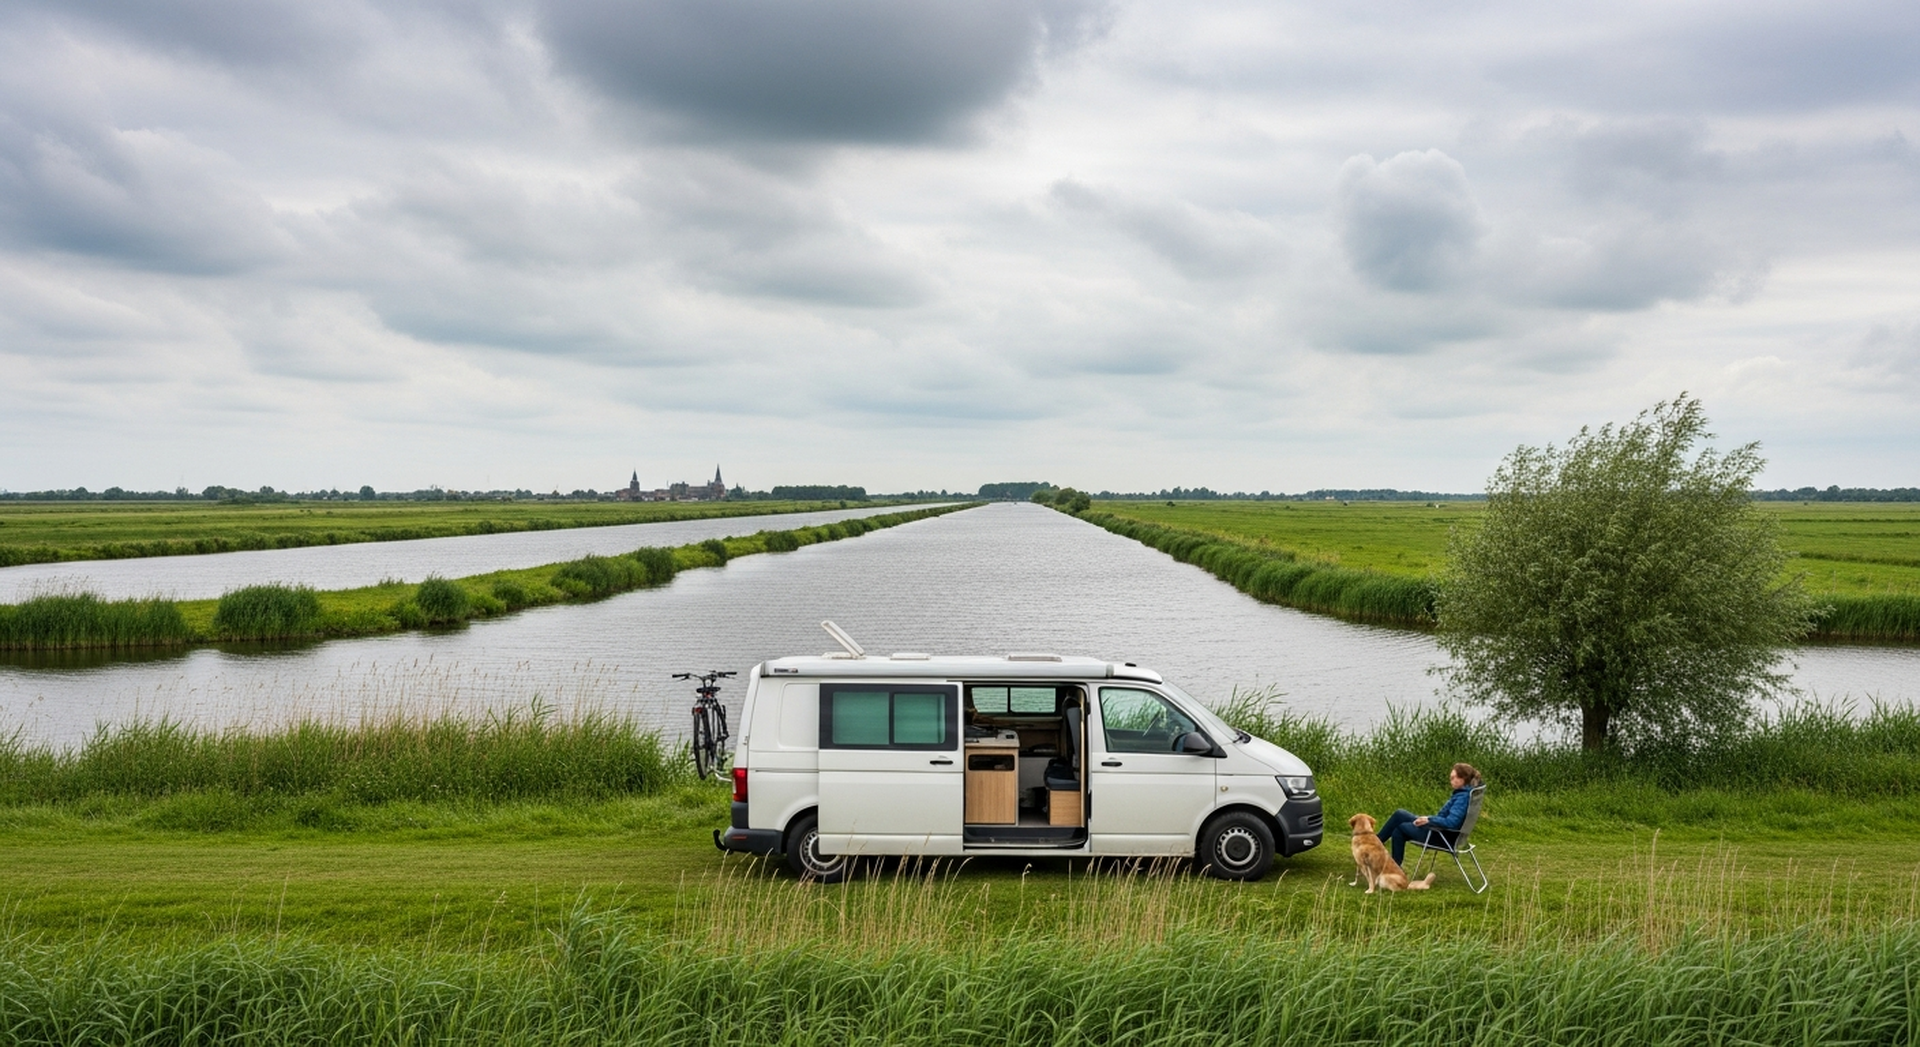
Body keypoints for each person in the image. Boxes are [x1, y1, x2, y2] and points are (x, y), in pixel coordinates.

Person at [1377, 763, 1482, 866]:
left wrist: (1430, 820)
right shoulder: (1467, 793)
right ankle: (1376, 843)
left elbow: (1452, 822)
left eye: (1453, 778)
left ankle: (1390, 863)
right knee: (1400, 814)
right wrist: (1429, 819)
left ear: (1463, 779)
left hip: (1441, 836)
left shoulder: (1462, 798)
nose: (1451, 781)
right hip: (1444, 832)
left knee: (1399, 829)